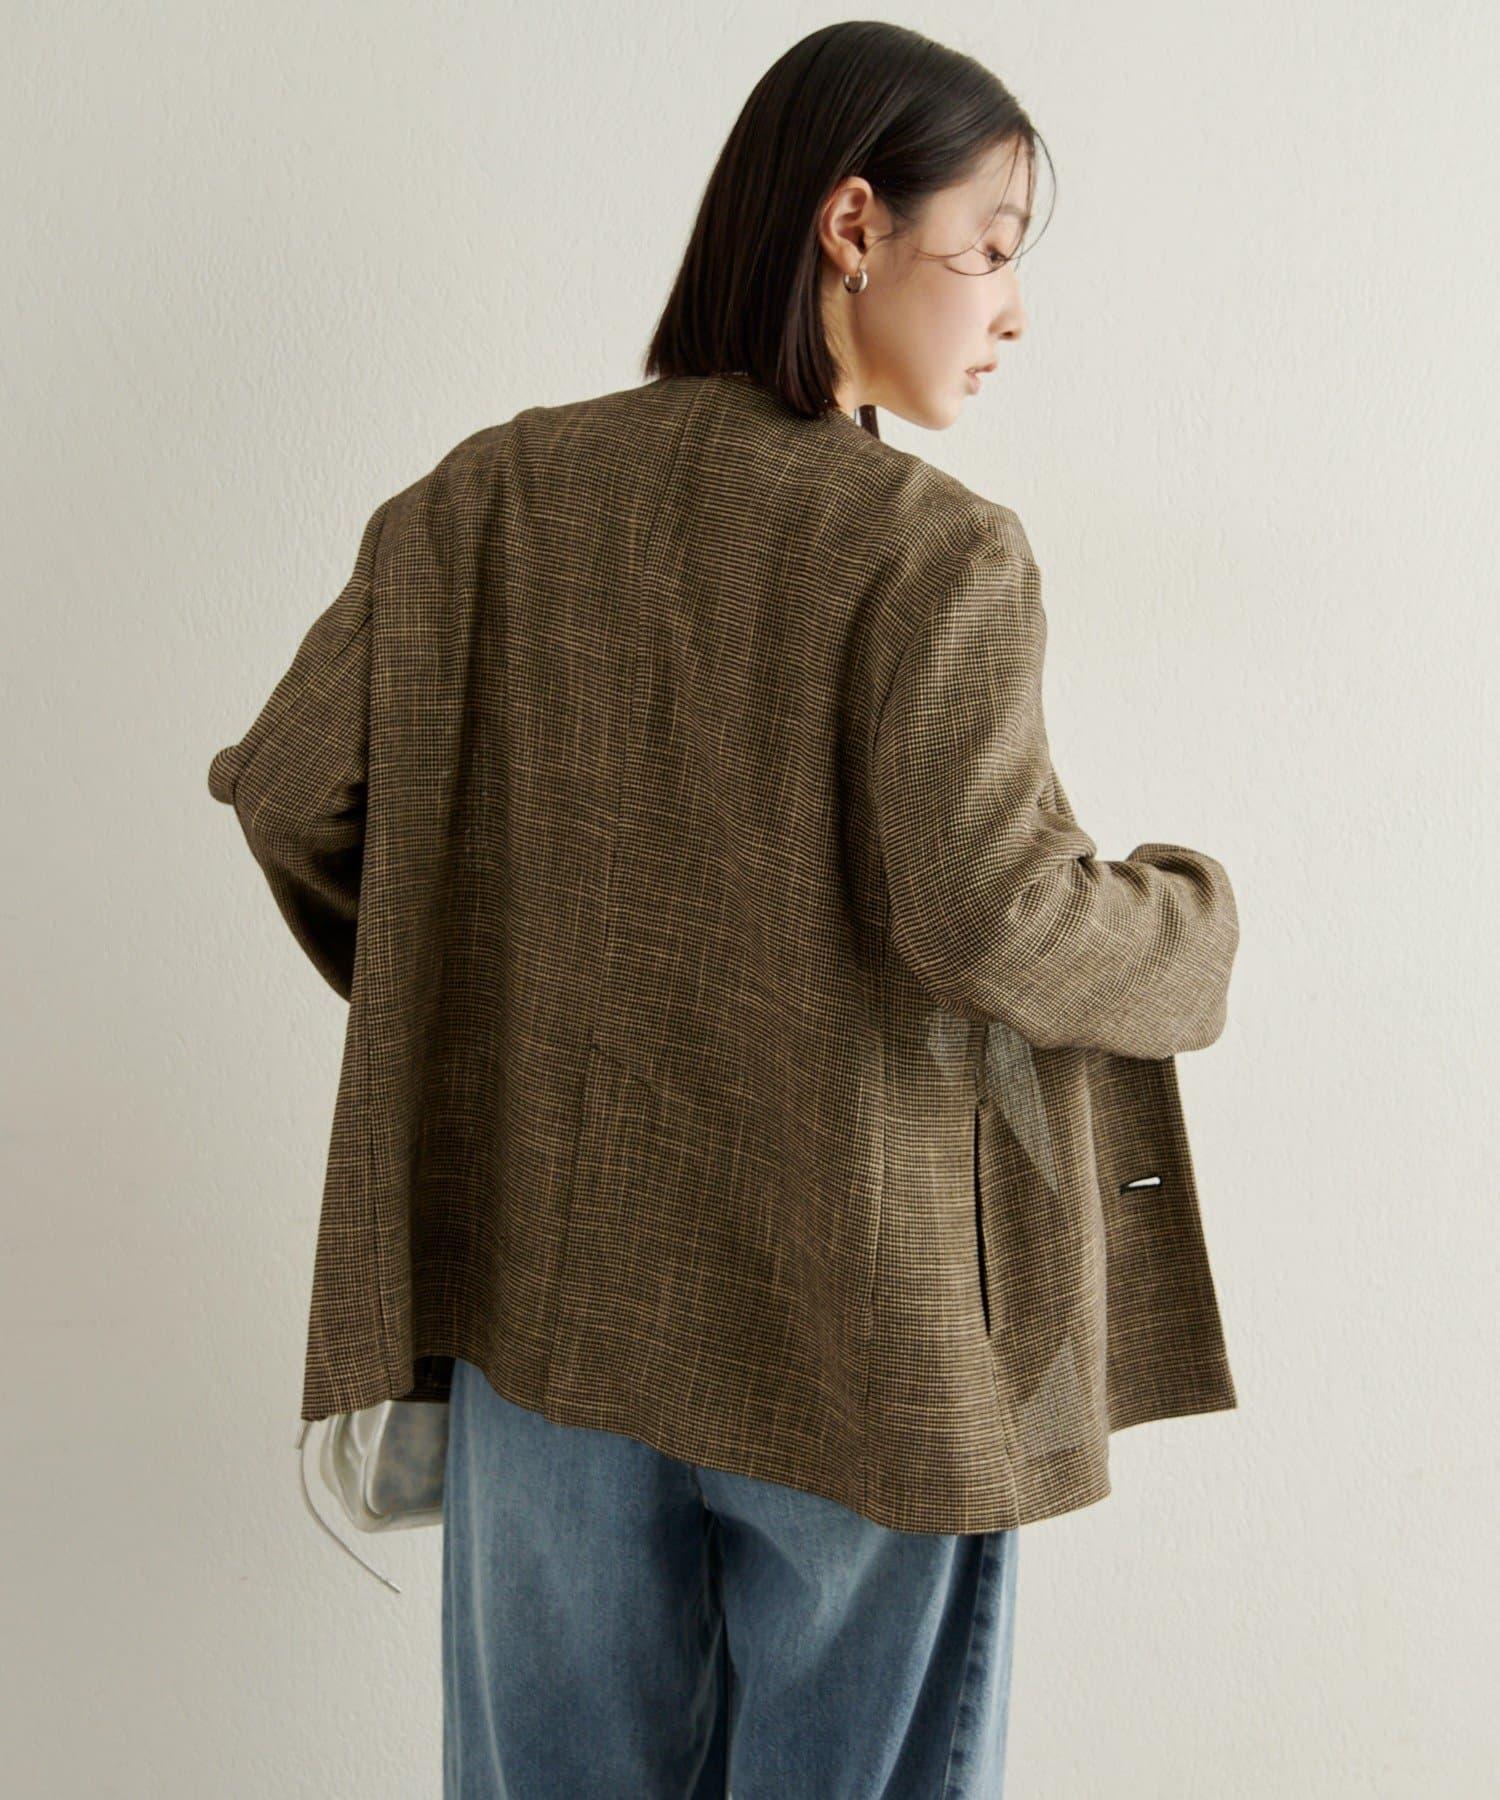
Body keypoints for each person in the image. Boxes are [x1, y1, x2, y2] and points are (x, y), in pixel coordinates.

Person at [210, 21, 1239, 1798]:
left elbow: (291, 789)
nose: (1012, 309)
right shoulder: (930, 551)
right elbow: (994, 917)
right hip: (863, 1346)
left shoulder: (490, 499)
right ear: (853, 225)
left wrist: (466, 983)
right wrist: (1191, 927)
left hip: (550, 1316)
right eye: (991, 248)